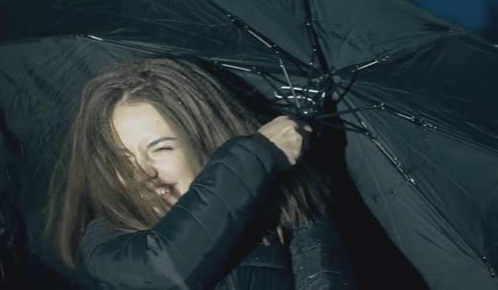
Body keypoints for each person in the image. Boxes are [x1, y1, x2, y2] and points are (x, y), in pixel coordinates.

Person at [45, 58, 354, 289]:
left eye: (161, 148)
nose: (141, 173)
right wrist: (258, 153)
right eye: (122, 157)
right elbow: (168, 266)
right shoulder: (108, 240)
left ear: (207, 143)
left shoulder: (288, 213)